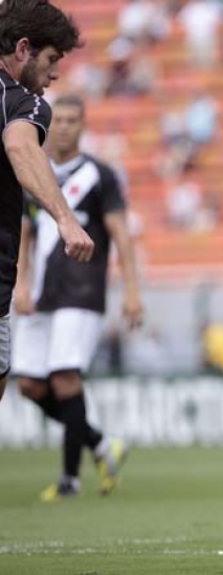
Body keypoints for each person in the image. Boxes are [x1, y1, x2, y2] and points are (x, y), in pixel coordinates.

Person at [12, 95, 142, 501]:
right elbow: (26, 233)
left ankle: (70, 479)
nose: (65, 127)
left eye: (73, 120)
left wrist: (131, 290)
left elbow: (120, 234)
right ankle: (101, 444)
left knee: (65, 376)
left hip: (82, 291)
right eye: (60, 120)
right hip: (41, 292)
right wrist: (21, 284)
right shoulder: (36, 174)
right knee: (29, 384)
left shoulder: (99, 175)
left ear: (83, 126)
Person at [0, 0, 94, 404]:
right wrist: (66, 220)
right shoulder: (22, 101)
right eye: (52, 59)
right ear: (23, 49)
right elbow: (21, 147)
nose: (55, 74)